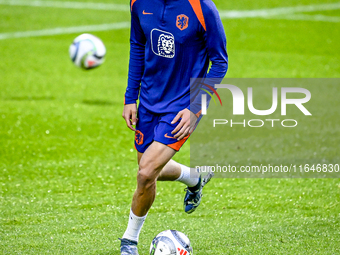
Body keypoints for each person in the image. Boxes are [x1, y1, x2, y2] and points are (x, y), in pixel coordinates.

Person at [120, 0, 228, 253]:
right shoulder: (138, 3)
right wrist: (129, 98)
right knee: (147, 166)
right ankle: (195, 177)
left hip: (183, 106)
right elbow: (137, 45)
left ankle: (129, 241)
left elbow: (220, 62)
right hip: (148, 100)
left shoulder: (202, 8)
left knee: (146, 173)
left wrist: (195, 108)